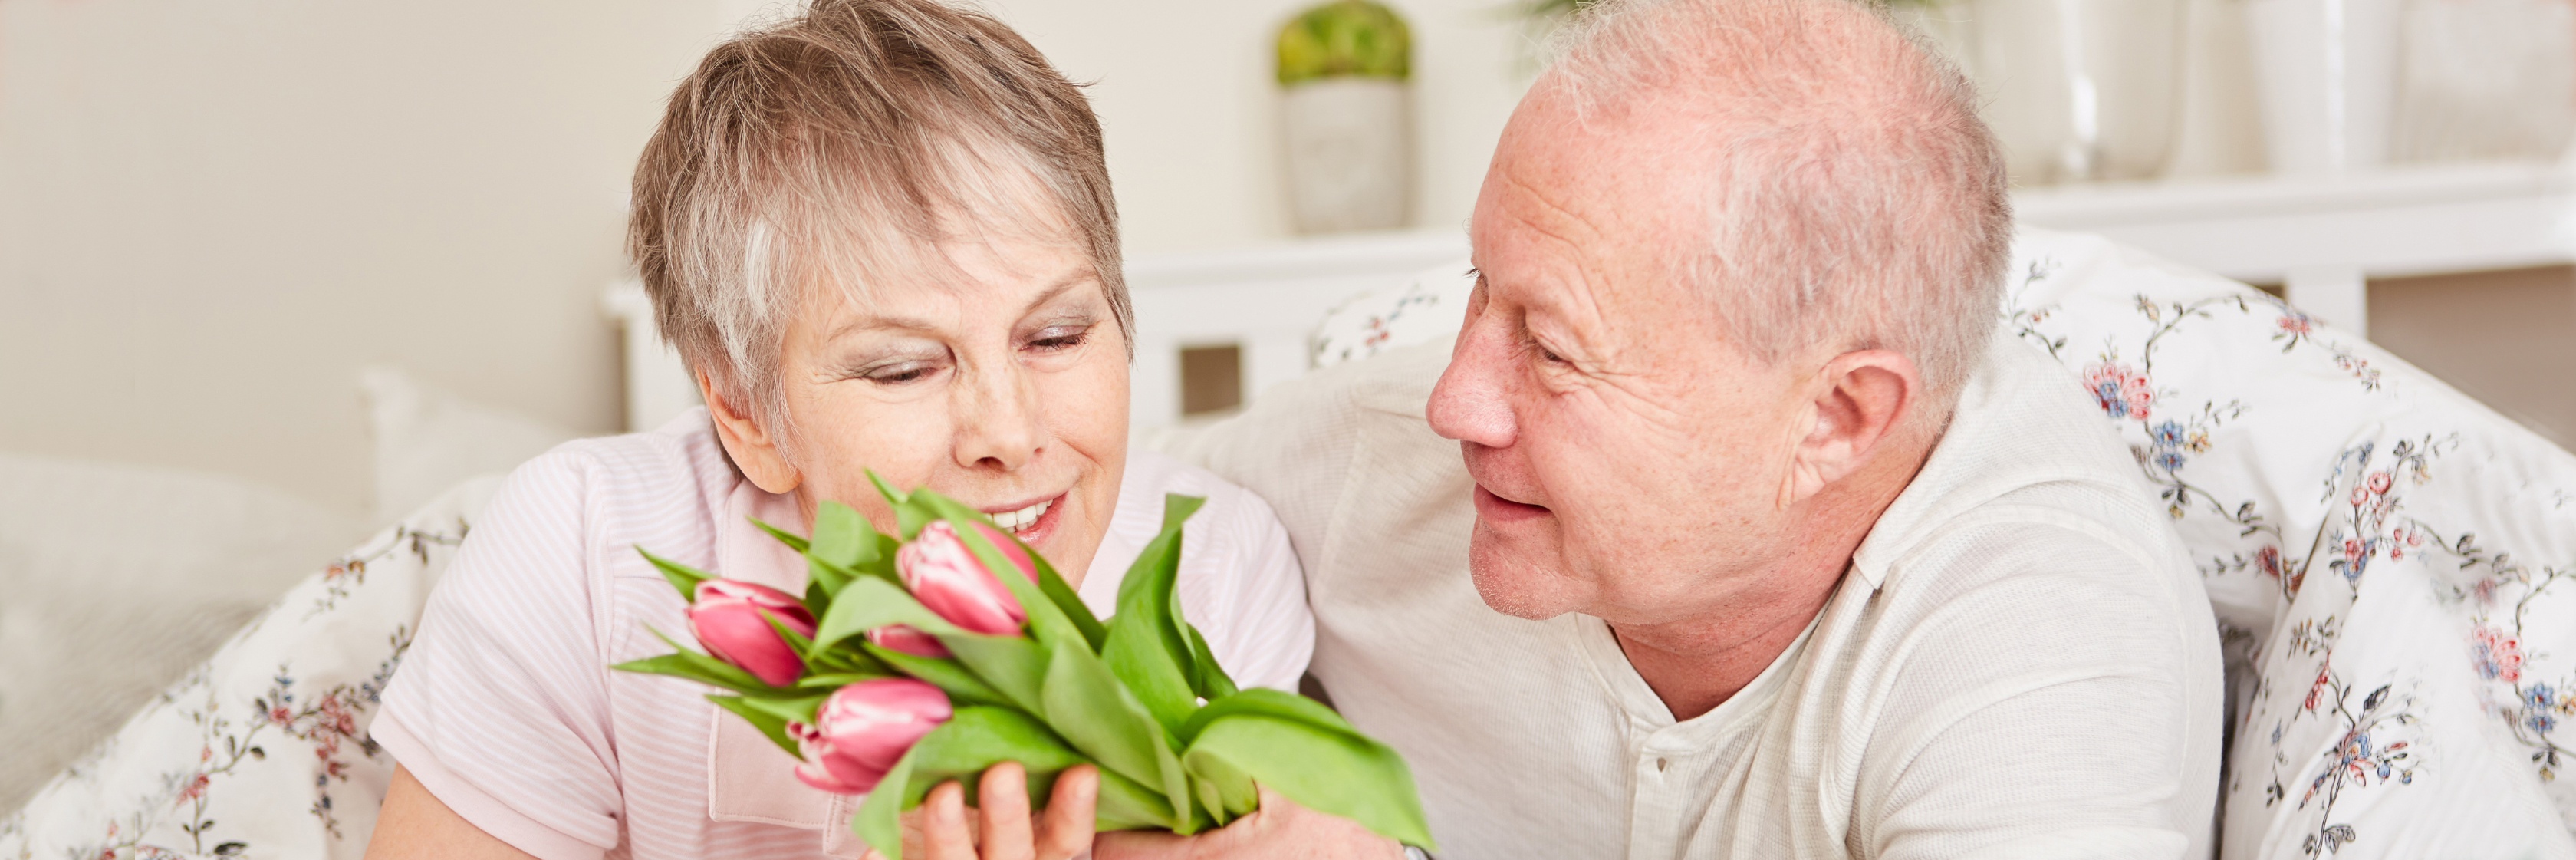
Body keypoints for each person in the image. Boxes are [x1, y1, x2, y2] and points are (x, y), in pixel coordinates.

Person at [1122, 0, 2225, 857]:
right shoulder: (1378, 454)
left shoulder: (2034, 626)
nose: (1454, 400)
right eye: (1477, 288)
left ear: (1835, 418)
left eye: (1551, 349)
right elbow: (1060, 522)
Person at [360, 2, 1312, 858]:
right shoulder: (585, 550)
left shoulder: (1215, 571)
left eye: (1057, 335)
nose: (1008, 432)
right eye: (903, 367)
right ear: (741, 411)